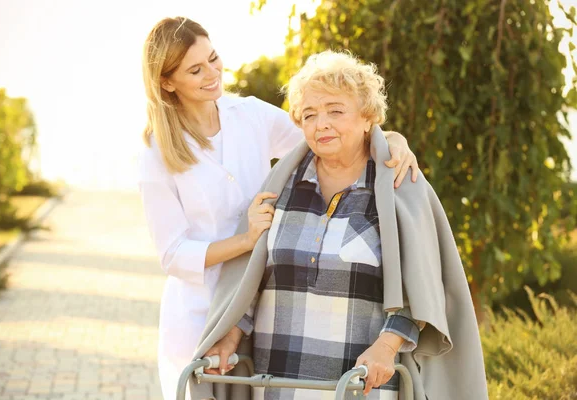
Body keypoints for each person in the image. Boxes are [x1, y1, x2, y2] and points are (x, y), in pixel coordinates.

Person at [138, 18, 420, 400]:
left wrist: (392, 139)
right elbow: (172, 254)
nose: (212, 73)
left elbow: (328, 136)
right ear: (168, 82)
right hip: (201, 307)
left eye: (214, 58)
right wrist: (246, 241)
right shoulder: (157, 151)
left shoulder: (249, 114)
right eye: (195, 69)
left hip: (262, 289)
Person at [193, 51, 488, 400]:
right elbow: (256, 280)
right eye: (309, 115)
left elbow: (422, 289)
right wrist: (231, 335)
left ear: (368, 117)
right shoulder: (280, 187)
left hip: (361, 387)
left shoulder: (399, 186)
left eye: (335, 110)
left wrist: (387, 348)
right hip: (278, 386)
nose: (322, 124)